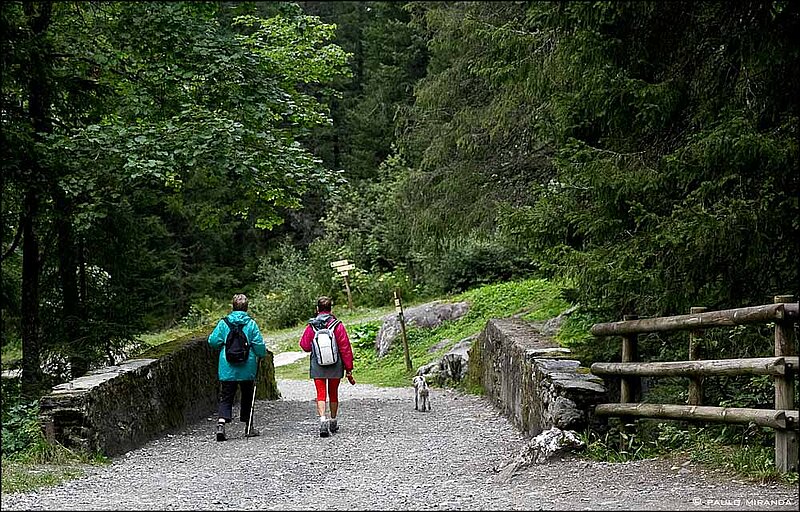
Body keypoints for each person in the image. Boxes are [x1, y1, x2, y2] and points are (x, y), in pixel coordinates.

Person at [208, 293, 267, 441]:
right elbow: (259, 345)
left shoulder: (224, 323)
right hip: (247, 366)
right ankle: (248, 426)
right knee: (247, 395)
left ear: (232, 306)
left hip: (227, 366)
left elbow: (213, 341)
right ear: (246, 307)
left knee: (226, 396)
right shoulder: (251, 324)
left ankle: (221, 423)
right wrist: (261, 354)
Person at [299, 296, 354, 437]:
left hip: (318, 364)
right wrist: (349, 368)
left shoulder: (312, 326)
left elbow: (304, 346)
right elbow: (345, 347)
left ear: (317, 309)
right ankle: (333, 421)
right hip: (335, 364)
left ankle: (323, 419)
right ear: (330, 309)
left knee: (321, 393)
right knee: (333, 392)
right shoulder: (337, 325)